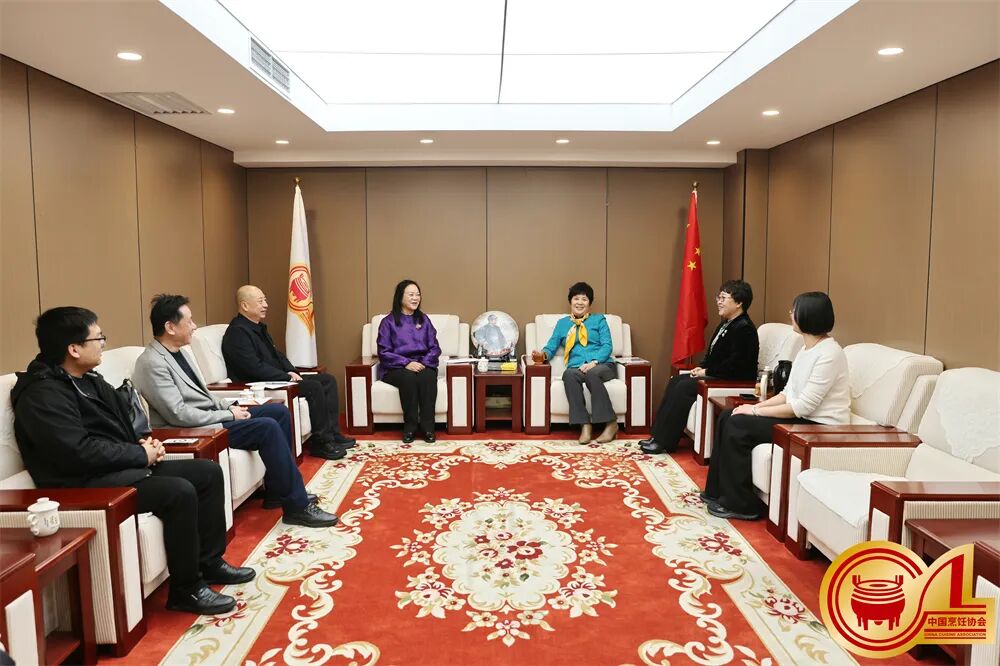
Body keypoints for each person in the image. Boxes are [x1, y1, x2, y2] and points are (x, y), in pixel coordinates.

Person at [11, 307, 255, 615]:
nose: (103, 344)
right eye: (98, 338)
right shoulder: (42, 394)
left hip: (116, 467)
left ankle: (210, 563)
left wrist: (142, 443)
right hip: (83, 483)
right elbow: (77, 452)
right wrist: (140, 455)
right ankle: (186, 590)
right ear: (74, 349)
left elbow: (119, 426)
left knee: (207, 472)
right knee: (178, 491)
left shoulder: (89, 379)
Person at [132, 294, 338, 528]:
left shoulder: (181, 353)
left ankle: (276, 491)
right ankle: (297, 506)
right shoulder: (152, 363)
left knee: (277, 412)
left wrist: (230, 406)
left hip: (211, 417)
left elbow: (205, 395)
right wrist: (229, 415)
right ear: (170, 327)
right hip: (193, 429)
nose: (194, 326)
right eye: (189, 321)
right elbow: (178, 414)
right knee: (267, 428)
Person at [703, 291, 850, 520]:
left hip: (819, 425)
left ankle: (741, 504)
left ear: (808, 315)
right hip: (801, 417)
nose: (790, 314)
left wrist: (755, 411)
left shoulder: (830, 353)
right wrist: (752, 406)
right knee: (729, 415)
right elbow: (787, 394)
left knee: (738, 425)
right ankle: (716, 491)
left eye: (794, 310)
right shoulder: (806, 349)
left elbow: (803, 406)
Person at [221, 285, 355, 461]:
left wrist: (291, 370)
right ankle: (321, 442)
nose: (266, 305)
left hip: (277, 378)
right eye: (260, 301)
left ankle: (333, 433)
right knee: (313, 387)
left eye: (265, 300)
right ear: (245, 306)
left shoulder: (258, 327)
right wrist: (286, 377)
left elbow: (277, 355)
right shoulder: (237, 332)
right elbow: (253, 367)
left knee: (327, 380)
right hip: (259, 384)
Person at [640, 280, 759, 454]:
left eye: (723, 298)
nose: (718, 301)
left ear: (739, 302)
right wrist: (701, 368)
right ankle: (657, 436)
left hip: (734, 380)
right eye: (718, 297)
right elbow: (714, 355)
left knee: (683, 387)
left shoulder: (745, 329)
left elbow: (736, 365)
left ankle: (664, 442)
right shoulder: (726, 323)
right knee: (676, 381)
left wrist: (707, 371)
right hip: (719, 375)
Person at [530, 282, 618, 444]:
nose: (579, 302)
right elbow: (551, 346)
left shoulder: (599, 320)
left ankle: (611, 424)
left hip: (603, 364)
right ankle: (584, 425)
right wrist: (542, 355)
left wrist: (594, 362)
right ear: (570, 301)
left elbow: (607, 346)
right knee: (568, 375)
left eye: (584, 299)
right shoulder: (562, 324)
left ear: (589, 303)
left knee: (592, 374)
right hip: (577, 367)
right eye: (576, 298)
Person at [377, 280, 440, 443]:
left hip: (423, 363)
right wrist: (406, 363)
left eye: (418, 295)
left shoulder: (424, 319)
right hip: (396, 367)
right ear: (400, 297)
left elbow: (434, 347)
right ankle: (410, 428)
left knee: (428, 377)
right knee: (409, 378)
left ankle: (428, 428)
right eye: (411, 294)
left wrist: (424, 362)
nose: (415, 298)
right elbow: (384, 352)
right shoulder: (388, 322)